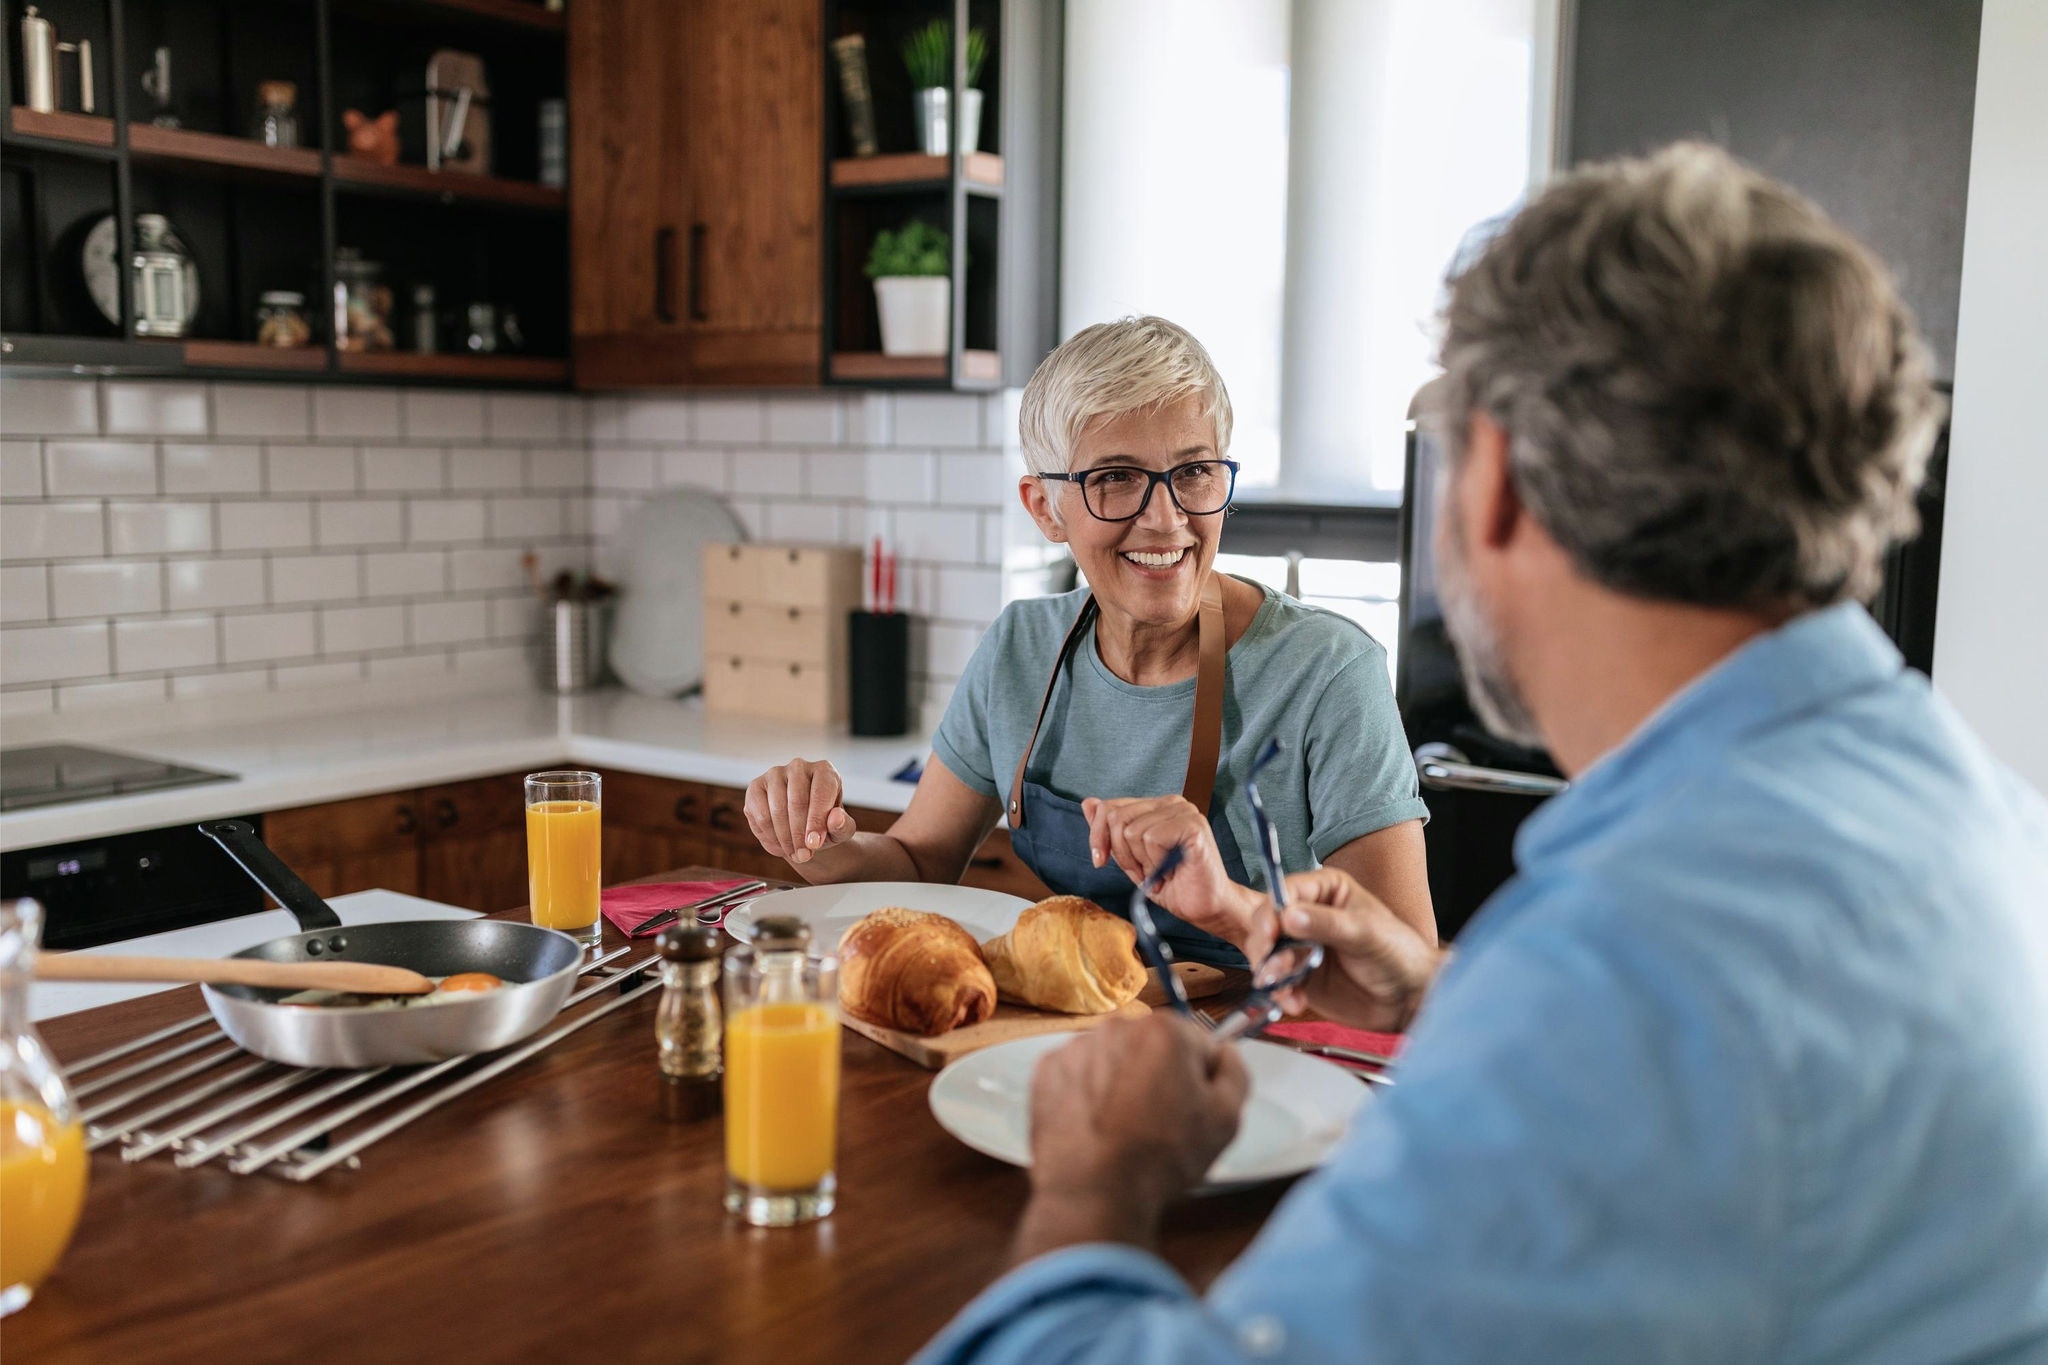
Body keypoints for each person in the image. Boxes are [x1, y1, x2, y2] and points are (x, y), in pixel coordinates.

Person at [915, 143, 2048, 1362]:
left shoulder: (1622, 970)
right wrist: (1431, 992)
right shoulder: (1984, 816)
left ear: (1493, 476)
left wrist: (1098, 1183)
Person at [743, 317, 1433, 966]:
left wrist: (1224, 906)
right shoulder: (1021, 648)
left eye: (1192, 472)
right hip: (1071, 1041)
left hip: (1259, 1052)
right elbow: (918, 863)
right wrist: (817, 842)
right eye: (1115, 478)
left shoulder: (1330, 673)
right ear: (1045, 508)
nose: (1165, 520)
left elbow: (1402, 960)